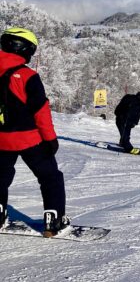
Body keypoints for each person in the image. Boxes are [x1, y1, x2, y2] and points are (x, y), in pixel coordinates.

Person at [0, 27, 68, 237]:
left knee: (0, 177)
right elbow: (40, 111)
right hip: (30, 139)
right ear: (25, 49)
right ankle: (53, 220)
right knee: (50, 177)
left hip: (1, 140)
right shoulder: (27, 76)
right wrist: (50, 139)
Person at [114, 89, 140, 154]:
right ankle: (129, 148)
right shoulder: (131, 98)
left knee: (127, 135)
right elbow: (120, 106)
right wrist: (119, 114)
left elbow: (138, 114)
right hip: (121, 119)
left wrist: (134, 123)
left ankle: (123, 143)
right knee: (125, 135)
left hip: (129, 122)